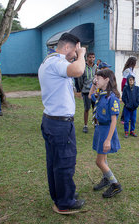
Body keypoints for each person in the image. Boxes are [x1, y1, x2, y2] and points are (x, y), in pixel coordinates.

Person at [39, 33, 86, 214]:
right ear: (66, 47)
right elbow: (79, 70)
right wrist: (82, 55)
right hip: (60, 124)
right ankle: (65, 203)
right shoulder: (56, 62)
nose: (75, 55)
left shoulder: (49, 62)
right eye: (74, 50)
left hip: (52, 120)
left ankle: (61, 196)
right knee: (64, 162)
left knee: (54, 163)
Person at [88, 69, 122, 198]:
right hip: (99, 129)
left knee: (99, 161)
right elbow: (89, 95)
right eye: (95, 78)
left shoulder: (112, 98)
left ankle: (115, 184)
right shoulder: (100, 94)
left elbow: (114, 120)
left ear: (107, 79)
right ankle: (106, 178)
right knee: (104, 158)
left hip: (106, 130)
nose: (96, 80)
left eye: (99, 78)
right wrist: (94, 83)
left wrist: (108, 140)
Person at [78, 52, 97, 133]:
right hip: (86, 91)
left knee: (95, 108)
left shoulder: (96, 67)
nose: (91, 59)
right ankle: (85, 125)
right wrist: (82, 89)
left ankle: (96, 124)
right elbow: (80, 80)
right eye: (90, 57)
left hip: (95, 92)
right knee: (87, 108)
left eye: (93, 57)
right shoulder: (83, 67)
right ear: (87, 58)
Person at [121, 57, 137, 123]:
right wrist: (123, 89)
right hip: (127, 88)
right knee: (127, 103)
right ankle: (123, 118)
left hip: (132, 88)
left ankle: (128, 117)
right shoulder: (127, 70)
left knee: (131, 103)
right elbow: (124, 80)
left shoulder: (131, 70)